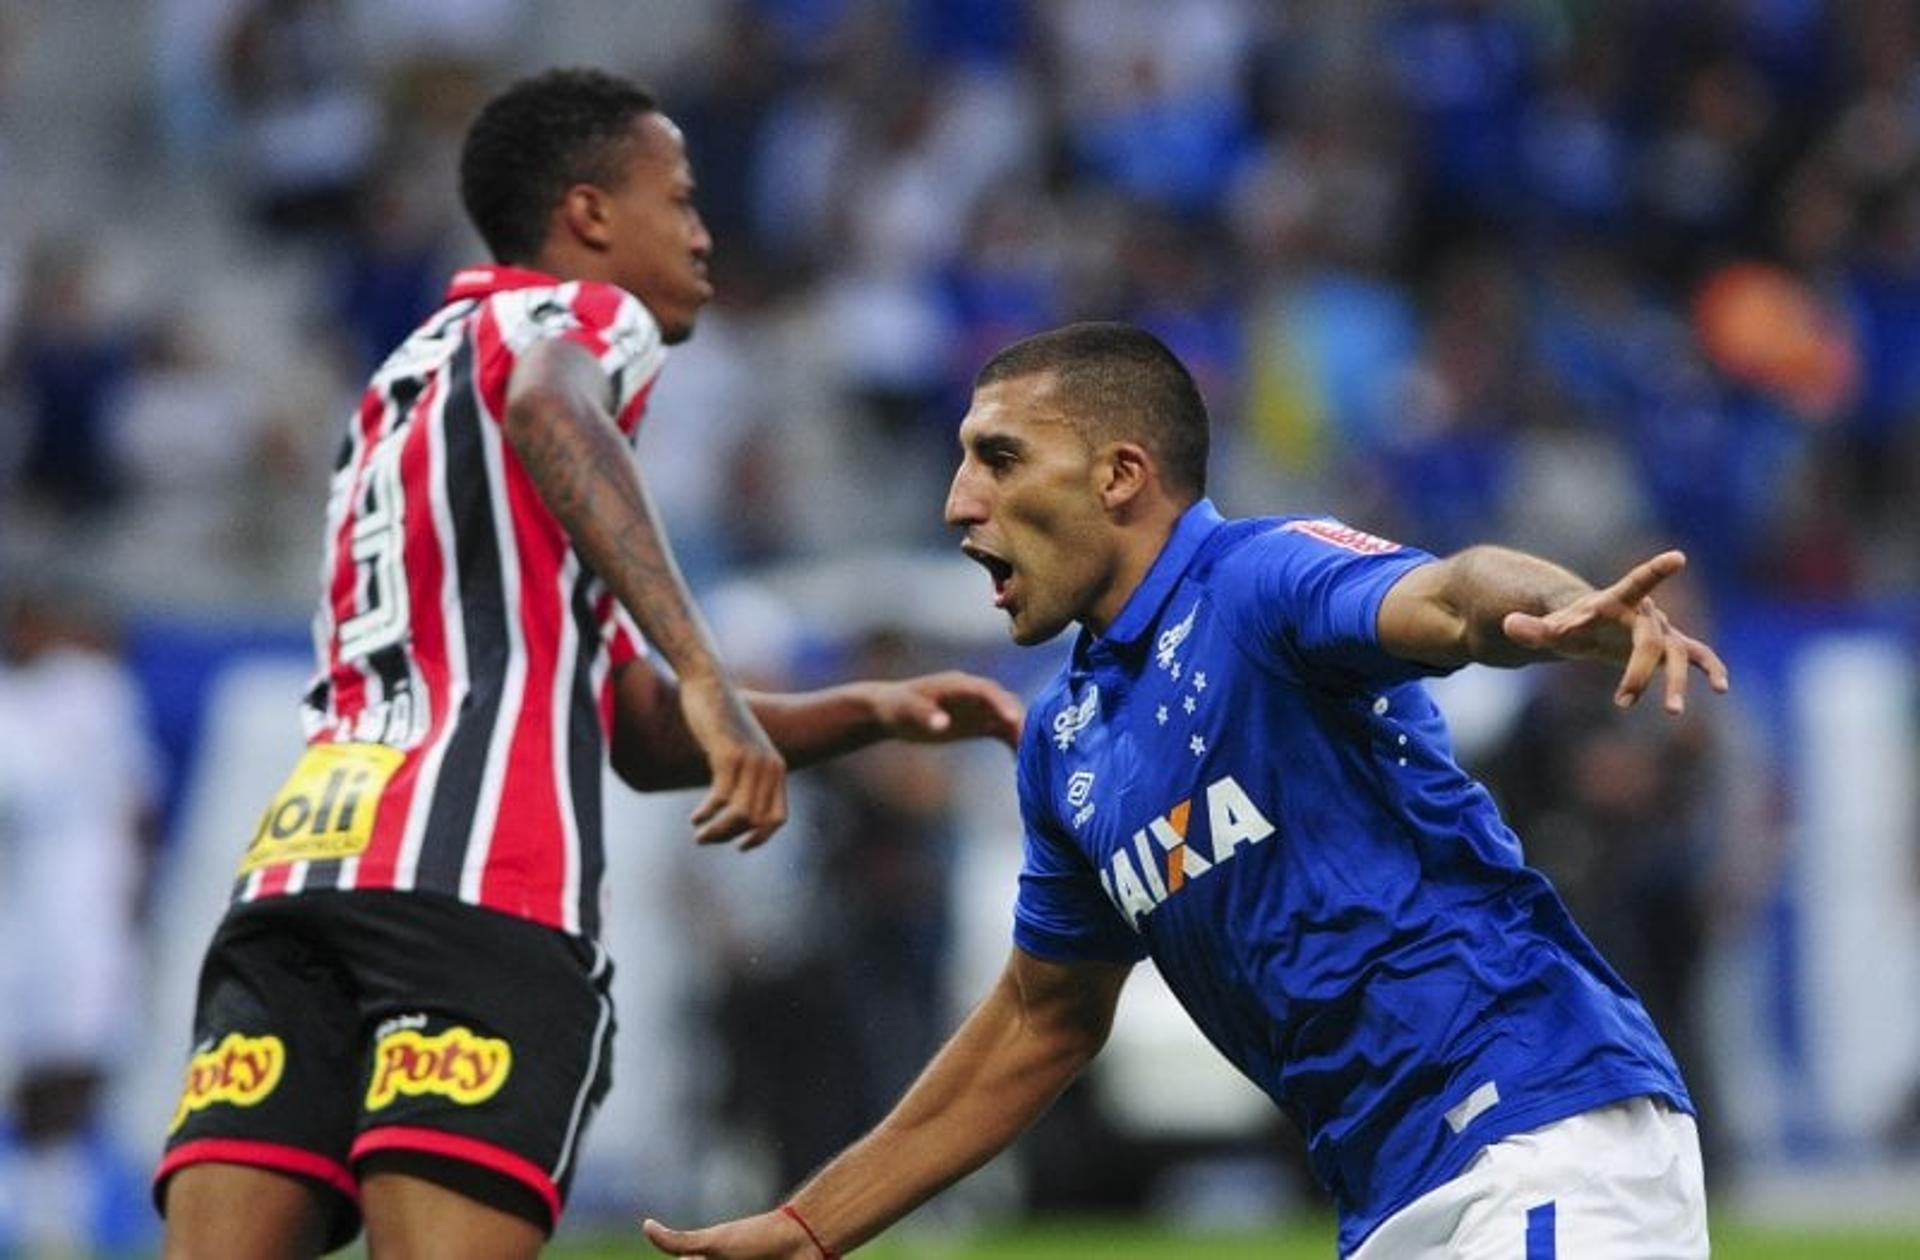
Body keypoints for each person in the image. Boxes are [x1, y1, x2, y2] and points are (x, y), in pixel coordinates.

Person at [154, 68, 1022, 1260]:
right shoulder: (576, 319)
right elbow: (557, 416)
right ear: (591, 217)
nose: (706, 233)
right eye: (680, 197)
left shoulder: (407, 378)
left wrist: (864, 711)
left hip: (296, 884)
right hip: (480, 892)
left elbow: (629, 729)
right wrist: (713, 674)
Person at [642, 322, 1730, 1259]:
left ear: (1120, 475)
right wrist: (812, 1225)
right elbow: (1039, 1019)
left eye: (1000, 459)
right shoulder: (1063, 742)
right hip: (1396, 1194)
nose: (957, 502)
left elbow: (1448, 597)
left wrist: (1563, 610)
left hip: (1538, 1133)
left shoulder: (1259, 583)